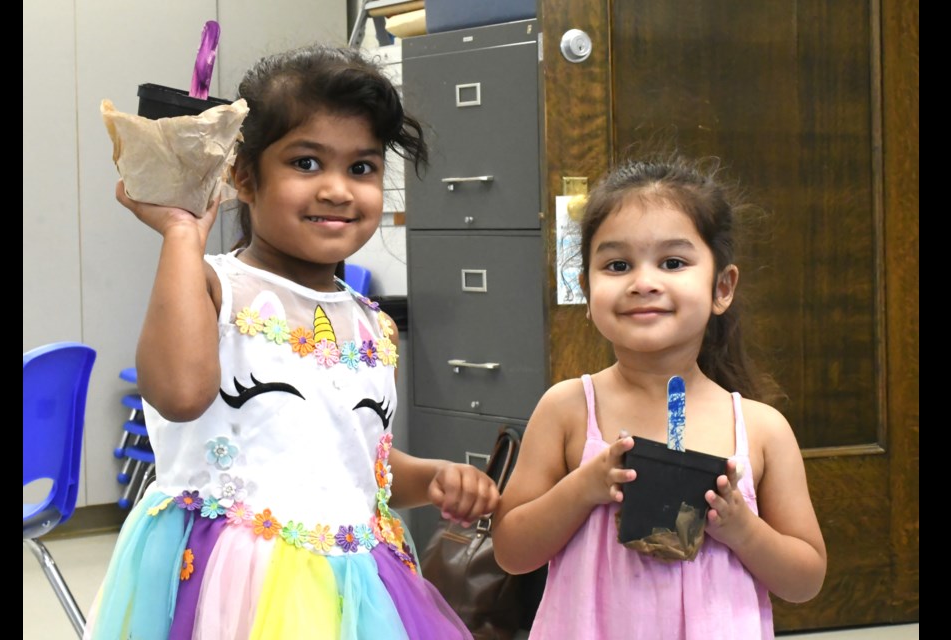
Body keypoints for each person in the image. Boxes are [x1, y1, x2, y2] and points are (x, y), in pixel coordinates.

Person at [85, 44, 499, 640]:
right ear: (243, 176)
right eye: (306, 163)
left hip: (353, 592)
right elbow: (178, 394)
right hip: (234, 590)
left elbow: (356, 461)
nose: (337, 189)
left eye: (362, 167)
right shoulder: (212, 286)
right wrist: (181, 234)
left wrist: (430, 478)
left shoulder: (374, 326)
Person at [491, 152, 827, 639]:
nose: (643, 283)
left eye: (673, 262)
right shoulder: (567, 409)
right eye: (617, 264)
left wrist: (741, 528)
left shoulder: (759, 428)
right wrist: (583, 488)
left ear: (722, 287)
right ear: (585, 288)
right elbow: (512, 552)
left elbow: (805, 579)